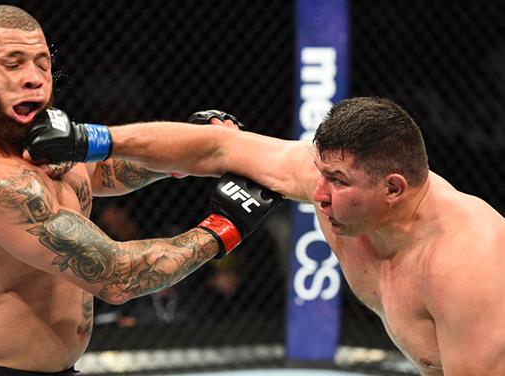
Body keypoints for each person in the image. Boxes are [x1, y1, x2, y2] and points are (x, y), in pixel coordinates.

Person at [29, 97, 505, 375]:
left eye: (337, 181)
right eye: (319, 173)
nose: (315, 194)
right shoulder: (340, 196)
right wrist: (91, 138)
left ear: (394, 189)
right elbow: (221, 146)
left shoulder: (466, 268)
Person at [0, 5, 280, 376]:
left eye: (42, 62)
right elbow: (118, 277)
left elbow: (99, 171)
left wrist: (186, 150)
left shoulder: (27, 133)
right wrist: (226, 227)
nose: (34, 78)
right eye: (12, 64)